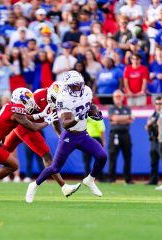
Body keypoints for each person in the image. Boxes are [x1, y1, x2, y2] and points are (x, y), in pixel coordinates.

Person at [26, 71, 107, 203]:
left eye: (78, 85)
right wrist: (77, 118)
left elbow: (90, 105)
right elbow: (65, 123)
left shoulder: (86, 90)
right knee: (55, 168)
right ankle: (34, 185)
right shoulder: (63, 98)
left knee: (102, 156)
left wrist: (95, 112)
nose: (77, 88)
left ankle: (90, 179)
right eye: (73, 86)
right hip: (70, 135)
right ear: (68, 86)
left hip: (83, 134)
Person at [0, 81, 81, 196]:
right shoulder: (37, 96)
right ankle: (64, 186)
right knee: (46, 155)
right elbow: (21, 116)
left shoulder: (55, 99)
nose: (58, 102)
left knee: (3, 150)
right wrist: (41, 117)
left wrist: (60, 136)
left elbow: (55, 120)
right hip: (25, 126)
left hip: (31, 126)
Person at [108, 90, 135, 184]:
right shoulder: (111, 108)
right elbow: (113, 119)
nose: (118, 98)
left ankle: (128, 178)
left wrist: (118, 120)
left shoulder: (127, 108)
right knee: (112, 155)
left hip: (125, 133)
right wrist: (126, 118)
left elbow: (130, 120)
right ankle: (111, 178)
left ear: (123, 97)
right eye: (116, 96)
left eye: (120, 96)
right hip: (114, 133)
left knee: (127, 156)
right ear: (113, 98)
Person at [82, 116, 106, 181]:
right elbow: (102, 130)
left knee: (86, 161)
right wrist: (103, 141)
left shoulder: (84, 117)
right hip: (96, 139)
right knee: (99, 159)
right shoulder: (98, 118)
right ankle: (101, 178)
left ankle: (86, 178)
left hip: (85, 139)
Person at [145, 97, 162, 185]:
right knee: (153, 161)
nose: (158, 106)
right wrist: (148, 124)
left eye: (160, 103)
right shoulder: (152, 115)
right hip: (153, 140)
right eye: (157, 103)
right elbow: (146, 128)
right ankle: (153, 180)